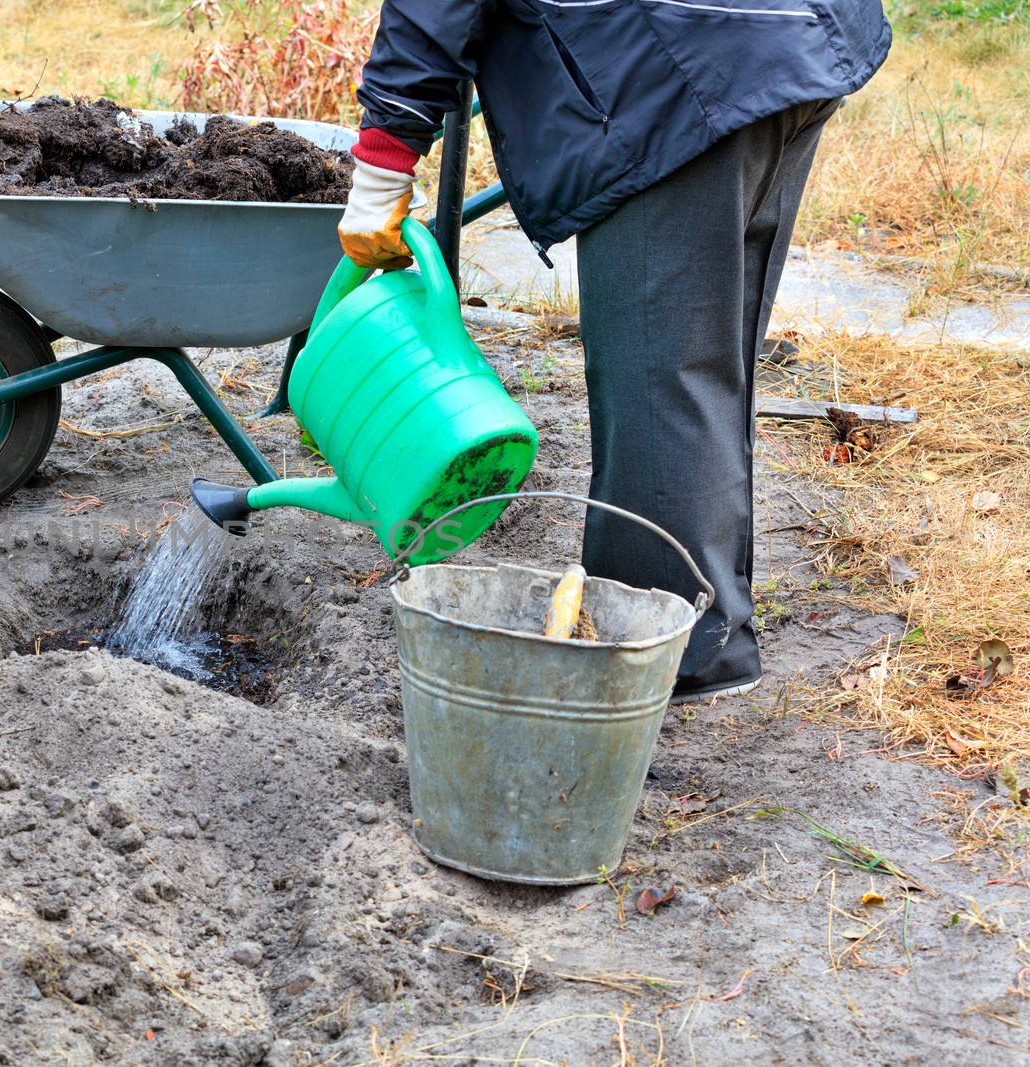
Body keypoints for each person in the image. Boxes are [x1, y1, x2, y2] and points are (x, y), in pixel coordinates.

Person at [338, 0, 890, 703]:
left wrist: (385, 159)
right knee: (706, 364)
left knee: (660, 378)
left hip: (667, 73)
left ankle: (661, 655)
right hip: (787, 34)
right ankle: (709, 632)